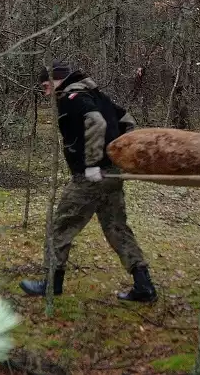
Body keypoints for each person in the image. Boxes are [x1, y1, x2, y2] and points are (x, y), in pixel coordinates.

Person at [19, 60, 158, 303]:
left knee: (60, 226)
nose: (45, 92)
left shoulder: (72, 98)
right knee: (117, 228)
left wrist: (94, 162)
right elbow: (126, 119)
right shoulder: (97, 95)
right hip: (112, 175)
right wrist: (117, 154)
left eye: (45, 86)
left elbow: (96, 122)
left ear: (56, 80)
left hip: (90, 178)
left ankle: (52, 284)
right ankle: (144, 285)